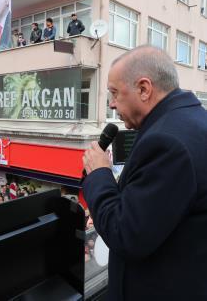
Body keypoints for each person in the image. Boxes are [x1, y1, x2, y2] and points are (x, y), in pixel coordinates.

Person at [82, 45, 207, 300]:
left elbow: (126, 234)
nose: (112, 104)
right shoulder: (193, 120)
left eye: (115, 93)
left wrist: (99, 174)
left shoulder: (167, 142)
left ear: (144, 88)